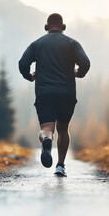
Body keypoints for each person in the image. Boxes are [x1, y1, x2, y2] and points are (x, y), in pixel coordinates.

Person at [18, 13, 90, 177]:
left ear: (46, 27)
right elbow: (85, 63)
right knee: (63, 129)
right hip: (67, 93)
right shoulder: (72, 43)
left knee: (46, 128)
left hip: (45, 93)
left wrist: (29, 77)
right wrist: (77, 73)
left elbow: (23, 64)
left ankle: (47, 140)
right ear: (63, 27)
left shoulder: (37, 44)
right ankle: (60, 166)